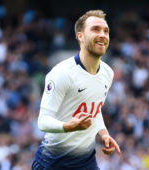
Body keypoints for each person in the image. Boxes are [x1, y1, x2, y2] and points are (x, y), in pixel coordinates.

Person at [32, 10, 121, 170]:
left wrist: (103, 133)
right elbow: (43, 121)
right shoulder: (62, 73)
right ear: (80, 36)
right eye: (95, 29)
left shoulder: (108, 73)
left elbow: (94, 108)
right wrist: (69, 126)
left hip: (86, 162)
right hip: (53, 163)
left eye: (106, 31)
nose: (102, 34)